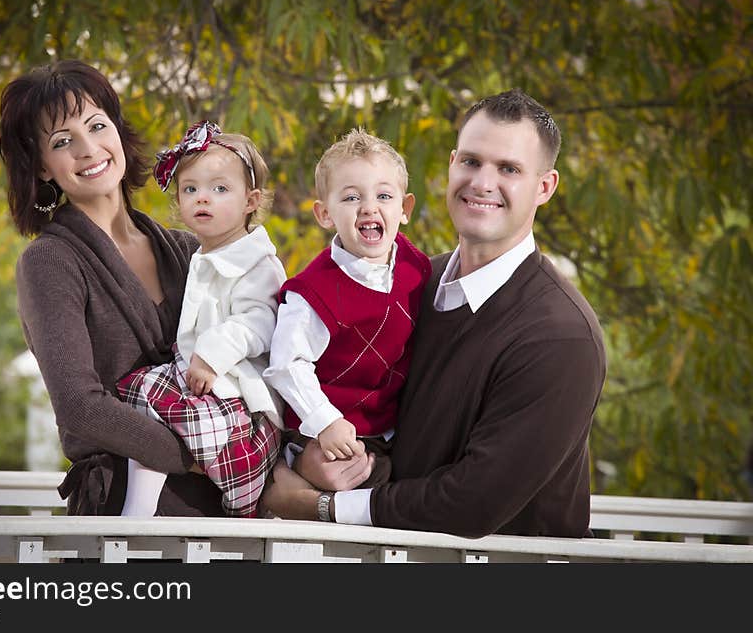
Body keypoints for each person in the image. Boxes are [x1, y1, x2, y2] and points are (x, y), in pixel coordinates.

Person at [262, 88, 607, 539]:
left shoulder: (561, 338)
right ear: (450, 164)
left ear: (545, 187)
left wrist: (323, 507)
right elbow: (351, 397)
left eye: (508, 169)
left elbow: (473, 502)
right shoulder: (410, 283)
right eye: (470, 161)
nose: (482, 182)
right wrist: (313, 458)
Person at [0, 59, 225, 517]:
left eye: (97, 125)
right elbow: (81, 408)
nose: (88, 149)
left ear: (118, 133)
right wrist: (201, 454)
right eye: (63, 141)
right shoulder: (51, 262)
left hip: (225, 503)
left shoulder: (188, 250)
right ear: (43, 169)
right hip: (123, 508)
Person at [116, 120, 286, 517]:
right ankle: (138, 507)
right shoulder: (201, 254)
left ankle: (237, 507)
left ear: (250, 201)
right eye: (190, 189)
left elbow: (261, 320)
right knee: (138, 398)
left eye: (219, 189)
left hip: (236, 394)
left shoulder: (258, 261)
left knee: (203, 431)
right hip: (194, 376)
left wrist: (211, 353)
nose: (202, 199)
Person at [264, 129, 431, 490]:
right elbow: (286, 364)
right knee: (359, 481)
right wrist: (325, 422)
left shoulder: (416, 268)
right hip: (328, 430)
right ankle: (292, 478)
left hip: (390, 424)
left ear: (404, 210)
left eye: (384, 196)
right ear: (325, 214)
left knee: (422, 472)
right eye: (352, 197)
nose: (369, 207)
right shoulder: (314, 293)